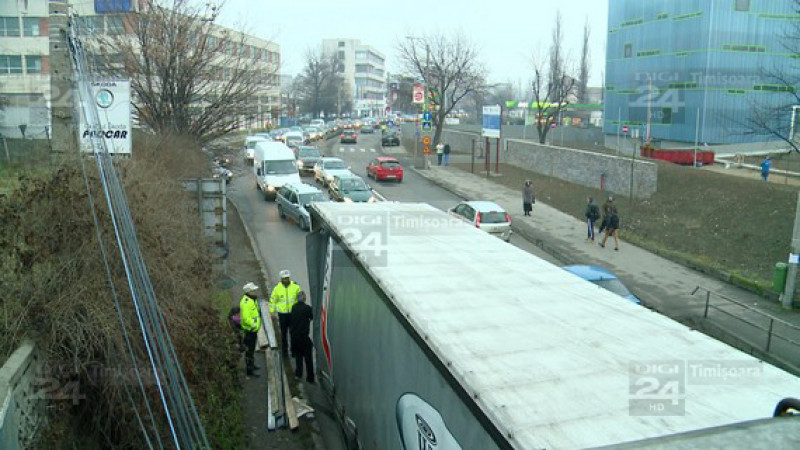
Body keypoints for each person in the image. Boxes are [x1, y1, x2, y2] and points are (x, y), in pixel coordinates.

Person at [269, 270, 303, 356]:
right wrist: (272, 312)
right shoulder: (277, 289)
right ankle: (284, 351)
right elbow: (273, 300)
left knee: (294, 333)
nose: (286, 280)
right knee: (283, 334)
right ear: (281, 279)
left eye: (287, 278)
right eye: (284, 278)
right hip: (282, 314)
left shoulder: (296, 287)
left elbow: (300, 299)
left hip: (293, 314)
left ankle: (294, 351)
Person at [290, 292, 315, 383]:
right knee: (308, 359)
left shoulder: (293, 307)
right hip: (304, 337)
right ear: (304, 299)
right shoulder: (307, 308)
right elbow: (312, 317)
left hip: (295, 337)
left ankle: (298, 374)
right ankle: (310, 378)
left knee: (298, 358)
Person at [240, 282, 262, 377]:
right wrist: (253, 325)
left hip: (253, 330)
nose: (255, 291)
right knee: (249, 351)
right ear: (249, 292)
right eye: (253, 290)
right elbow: (246, 318)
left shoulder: (252, 299)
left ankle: (252, 365)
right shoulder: (245, 302)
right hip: (250, 331)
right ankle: (249, 370)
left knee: (251, 350)